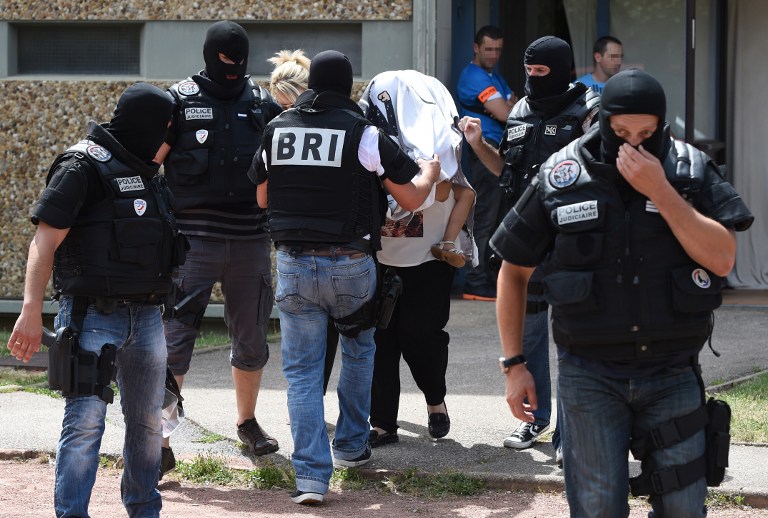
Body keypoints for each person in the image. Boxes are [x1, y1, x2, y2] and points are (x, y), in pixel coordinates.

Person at [490, 68, 753, 517]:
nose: (633, 145)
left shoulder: (688, 169)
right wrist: (514, 366)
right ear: (603, 122)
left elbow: (723, 258)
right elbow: (513, 271)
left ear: (662, 125)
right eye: (621, 133)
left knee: (684, 509)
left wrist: (661, 190)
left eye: (647, 134)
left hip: (672, 373)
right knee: (597, 510)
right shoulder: (561, 174)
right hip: (589, 376)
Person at [249, 50, 441, 505]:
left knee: (301, 371)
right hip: (351, 265)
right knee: (358, 352)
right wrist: (430, 173)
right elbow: (412, 199)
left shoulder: (277, 128)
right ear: (348, 86)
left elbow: (261, 198)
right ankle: (352, 447)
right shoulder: (363, 131)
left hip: (293, 264)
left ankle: (310, 478)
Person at [7, 83, 186, 517]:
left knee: (148, 423)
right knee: (86, 423)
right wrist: (30, 309)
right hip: (91, 315)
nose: (166, 135)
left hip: (146, 316)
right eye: (163, 125)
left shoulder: (146, 169)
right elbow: (43, 241)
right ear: (143, 122)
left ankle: (144, 508)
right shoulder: (81, 165)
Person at [460, 36, 600, 461]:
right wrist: (477, 144)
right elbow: (506, 169)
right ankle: (536, 418)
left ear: (562, 69)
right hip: (528, 242)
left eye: (542, 72)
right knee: (530, 335)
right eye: (529, 71)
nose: (534, 79)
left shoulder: (589, 110)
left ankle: (572, 434)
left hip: (575, 241)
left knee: (575, 340)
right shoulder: (519, 110)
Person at [154, 20, 283, 476]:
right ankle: (159, 440)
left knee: (252, 337)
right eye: (226, 59)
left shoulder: (263, 104)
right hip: (192, 241)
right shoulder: (178, 101)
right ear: (210, 56)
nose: (234, 67)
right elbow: (151, 165)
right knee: (175, 340)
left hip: (251, 239)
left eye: (240, 59)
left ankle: (247, 423)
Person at [359, 69, 477, 448]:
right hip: (380, 257)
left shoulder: (439, 144)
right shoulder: (369, 139)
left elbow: (444, 193)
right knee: (380, 340)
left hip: (429, 258)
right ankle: (382, 423)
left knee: (422, 336)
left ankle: (434, 399)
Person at [457, 25, 518, 301]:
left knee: (499, 218)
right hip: (484, 149)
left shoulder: (495, 77)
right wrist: (503, 107)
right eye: (488, 49)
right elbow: (507, 113)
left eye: (498, 49)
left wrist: (506, 106)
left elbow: (516, 104)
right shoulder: (473, 76)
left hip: (499, 150)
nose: (494, 54)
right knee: (485, 219)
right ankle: (475, 281)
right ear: (476, 48)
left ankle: (491, 279)